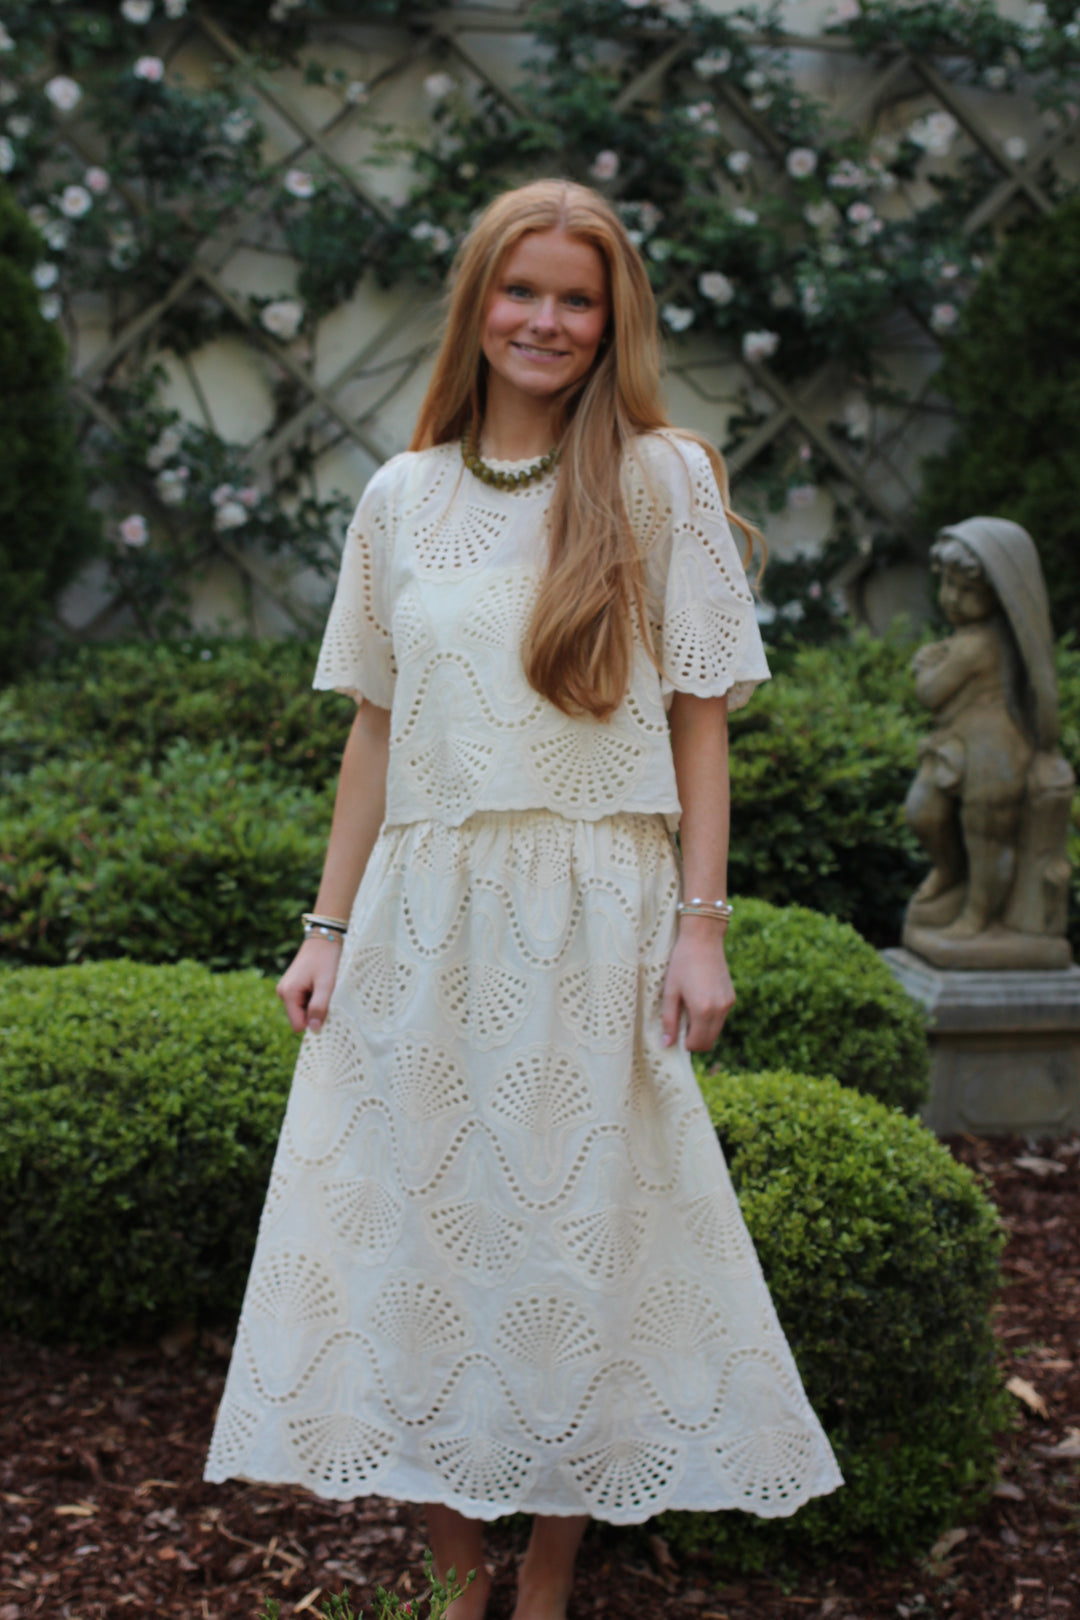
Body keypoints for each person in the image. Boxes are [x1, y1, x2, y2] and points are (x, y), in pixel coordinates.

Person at [204, 179, 842, 1620]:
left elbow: (699, 720)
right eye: (521, 290)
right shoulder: (401, 496)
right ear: (477, 306)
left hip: (598, 912)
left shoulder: (661, 479)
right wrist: (326, 931)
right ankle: (454, 1579)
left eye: (577, 298)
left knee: (579, 1241)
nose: (545, 321)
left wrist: (700, 928)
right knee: (415, 1230)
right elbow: (375, 731)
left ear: (612, 321)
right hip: (423, 917)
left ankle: (546, 1584)